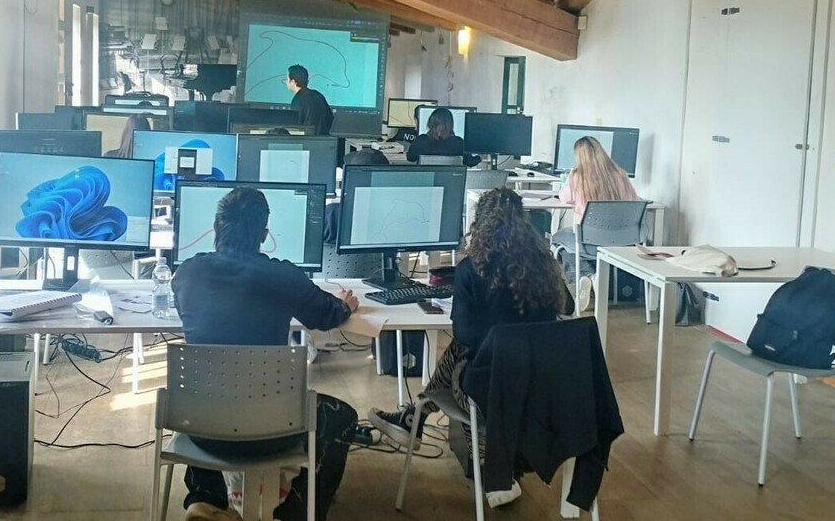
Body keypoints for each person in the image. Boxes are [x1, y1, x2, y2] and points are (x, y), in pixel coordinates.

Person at [368, 187, 572, 505]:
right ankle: (418, 420)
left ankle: (485, 464)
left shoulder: (472, 269)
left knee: (465, 360)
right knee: (470, 358)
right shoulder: (545, 268)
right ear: (524, 223)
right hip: (543, 394)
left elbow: (463, 333)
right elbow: (567, 307)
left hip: (489, 396)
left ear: (479, 225)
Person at [173, 188, 361, 521]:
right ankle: (295, 513)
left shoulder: (188, 273)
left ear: (216, 228)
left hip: (202, 427)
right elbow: (326, 315)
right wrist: (345, 305)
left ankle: (205, 500)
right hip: (272, 430)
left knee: (203, 389)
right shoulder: (284, 277)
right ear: (263, 234)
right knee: (343, 416)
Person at [553, 136, 641, 311]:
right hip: (621, 243)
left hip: (588, 243)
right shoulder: (621, 174)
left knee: (558, 239)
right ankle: (590, 278)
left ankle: (586, 276)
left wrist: (571, 175)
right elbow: (635, 201)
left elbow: (564, 197)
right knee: (570, 243)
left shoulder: (578, 176)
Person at [405, 107, 479, 167]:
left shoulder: (421, 141)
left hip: (426, 180)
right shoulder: (459, 143)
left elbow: (410, 158)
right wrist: (480, 157)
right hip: (451, 180)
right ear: (450, 124)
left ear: (430, 123)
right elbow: (471, 162)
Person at [286, 65, 334, 135]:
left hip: (306, 139)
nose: (286, 82)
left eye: (287, 79)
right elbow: (330, 117)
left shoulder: (297, 100)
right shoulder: (317, 95)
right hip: (323, 138)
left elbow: (297, 126)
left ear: (293, 81)